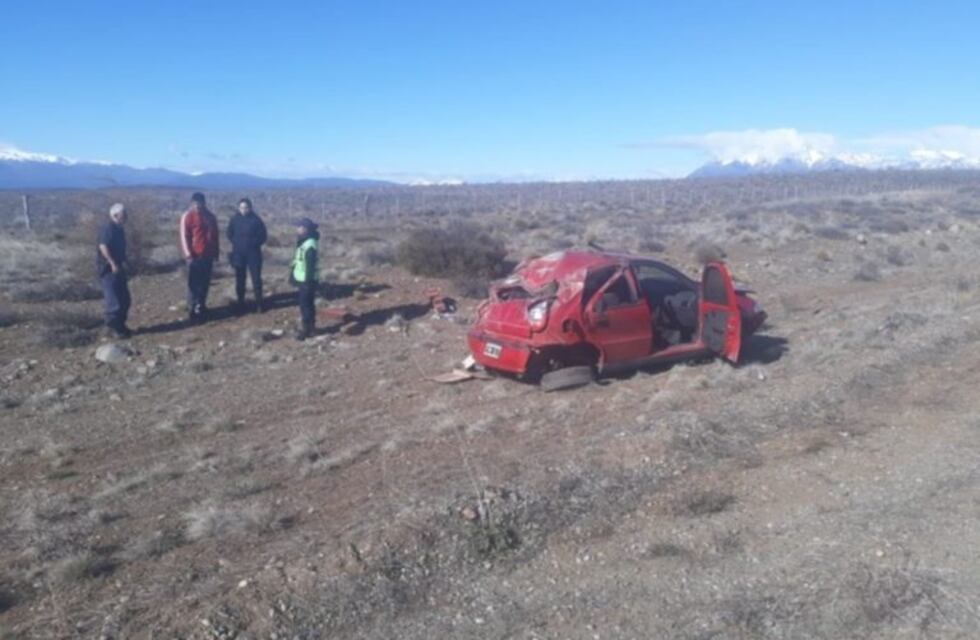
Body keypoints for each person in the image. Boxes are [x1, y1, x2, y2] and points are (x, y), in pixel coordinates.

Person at [179, 192, 219, 323]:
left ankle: (201, 305)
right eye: (195, 203)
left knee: (205, 282)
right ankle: (192, 308)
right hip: (194, 256)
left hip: (208, 255)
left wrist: (216, 252)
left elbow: (215, 236)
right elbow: (184, 236)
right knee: (193, 284)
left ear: (204, 203)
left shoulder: (210, 217)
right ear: (191, 203)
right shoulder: (187, 216)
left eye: (199, 203)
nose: (197, 206)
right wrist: (188, 254)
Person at [97, 203, 132, 338]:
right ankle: (112, 329)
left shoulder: (119, 229)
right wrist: (112, 263)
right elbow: (103, 246)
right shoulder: (108, 228)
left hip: (119, 266)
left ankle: (121, 326)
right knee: (114, 300)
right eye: (124, 214)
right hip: (108, 269)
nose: (126, 217)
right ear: (116, 215)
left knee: (124, 299)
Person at [227, 197, 267, 313]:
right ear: (239, 208)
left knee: (256, 279)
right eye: (241, 208)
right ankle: (241, 302)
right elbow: (229, 233)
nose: (244, 210)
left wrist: (254, 244)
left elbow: (263, 236)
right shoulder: (234, 220)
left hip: (254, 254)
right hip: (239, 254)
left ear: (250, 208)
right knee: (240, 279)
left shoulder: (256, 220)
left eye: (246, 208)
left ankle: (259, 303)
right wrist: (236, 242)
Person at [289, 218, 320, 341]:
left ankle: (307, 329)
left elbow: (310, 265)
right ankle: (310, 328)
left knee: (306, 305)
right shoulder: (304, 241)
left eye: (300, 227)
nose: (297, 229)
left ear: (306, 229)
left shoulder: (310, 244)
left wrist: (307, 281)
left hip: (307, 281)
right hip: (303, 279)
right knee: (307, 304)